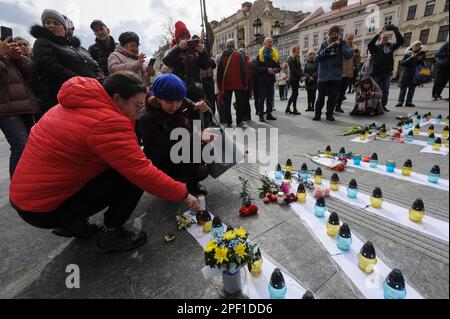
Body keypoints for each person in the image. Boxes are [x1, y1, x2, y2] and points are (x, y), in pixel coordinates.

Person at [9, 71, 200, 253]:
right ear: (117, 98)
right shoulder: (107, 122)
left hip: (26, 199)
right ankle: (111, 233)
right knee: (129, 178)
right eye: (137, 106)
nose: (140, 112)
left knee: (117, 167)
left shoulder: (74, 104)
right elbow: (140, 171)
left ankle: (73, 223)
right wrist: (183, 194)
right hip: (43, 208)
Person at [140, 73, 213, 196]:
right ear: (158, 99)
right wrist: (196, 137)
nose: (174, 106)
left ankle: (190, 181)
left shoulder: (184, 103)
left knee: (210, 153)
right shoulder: (147, 118)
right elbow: (163, 150)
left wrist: (204, 110)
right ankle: (176, 184)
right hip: (165, 160)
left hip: (185, 149)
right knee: (199, 168)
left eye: (178, 102)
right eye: (169, 102)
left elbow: (198, 123)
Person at [30, 9, 104, 112]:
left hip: (94, 91)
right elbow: (51, 66)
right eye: (47, 23)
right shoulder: (41, 43)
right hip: (68, 97)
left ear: (65, 29)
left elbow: (94, 64)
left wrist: (100, 79)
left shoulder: (79, 48)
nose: (51, 25)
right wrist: (82, 82)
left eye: (56, 23)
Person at [0, 38, 41, 179]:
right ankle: (17, 188)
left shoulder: (11, 56)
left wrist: (18, 58)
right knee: (20, 146)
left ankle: (30, 182)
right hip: (7, 109)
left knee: (31, 146)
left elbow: (32, 72)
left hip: (25, 106)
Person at [163, 21, 210, 102]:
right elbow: (167, 61)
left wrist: (203, 53)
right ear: (177, 39)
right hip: (178, 90)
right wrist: (178, 48)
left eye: (187, 36)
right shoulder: (173, 50)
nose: (185, 39)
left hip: (195, 90)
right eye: (182, 37)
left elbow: (205, 65)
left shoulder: (195, 50)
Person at [314, 25, 353, 122]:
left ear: (339, 33)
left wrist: (340, 47)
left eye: (336, 32)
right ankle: (317, 114)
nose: (334, 34)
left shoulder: (343, 43)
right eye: (332, 33)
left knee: (332, 97)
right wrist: (325, 50)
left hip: (336, 75)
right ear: (329, 34)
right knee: (320, 97)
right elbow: (316, 58)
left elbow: (349, 56)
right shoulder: (324, 43)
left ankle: (329, 114)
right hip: (323, 75)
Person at [368, 25, 405, 112]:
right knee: (374, 90)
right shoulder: (375, 48)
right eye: (383, 37)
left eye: (387, 37)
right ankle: (373, 106)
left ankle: (383, 106)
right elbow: (370, 44)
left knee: (385, 90)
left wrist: (396, 31)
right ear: (379, 39)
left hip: (386, 73)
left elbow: (401, 42)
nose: (385, 39)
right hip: (376, 73)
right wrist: (379, 33)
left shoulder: (390, 47)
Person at [217, 39, 248, 127]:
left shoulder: (222, 56)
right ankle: (239, 121)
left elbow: (219, 73)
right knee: (239, 103)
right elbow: (243, 71)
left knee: (227, 104)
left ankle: (229, 121)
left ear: (226, 46)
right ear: (234, 45)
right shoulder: (238, 55)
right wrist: (245, 83)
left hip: (226, 84)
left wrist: (220, 86)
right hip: (238, 84)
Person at [254, 37, 280, 122]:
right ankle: (261, 115)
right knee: (261, 98)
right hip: (262, 81)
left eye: (271, 42)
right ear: (264, 44)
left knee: (270, 98)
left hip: (270, 80)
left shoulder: (274, 55)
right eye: (268, 42)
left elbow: (278, 66)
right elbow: (256, 68)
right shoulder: (260, 55)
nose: (270, 43)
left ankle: (269, 114)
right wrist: (266, 69)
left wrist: (276, 70)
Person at [396, 41, 427, 107]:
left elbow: (423, 65)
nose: (417, 47)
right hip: (406, 74)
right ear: (412, 46)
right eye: (416, 46)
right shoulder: (407, 54)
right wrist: (411, 57)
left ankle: (409, 102)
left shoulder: (420, 54)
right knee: (403, 89)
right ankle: (400, 102)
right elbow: (402, 63)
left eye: (419, 46)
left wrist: (422, 58)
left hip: (415, 74)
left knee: (412, 89)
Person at [335, 33, 359, 113]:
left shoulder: (355, 47)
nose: (350, 40)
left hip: (349, 73)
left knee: (342, 91)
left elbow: (358, 62)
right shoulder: (341, 46)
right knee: (337, 90)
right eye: (349, 39)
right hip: (340, 72)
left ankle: (338, 106)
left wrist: (357, 55)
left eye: (352, 39)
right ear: (345, 38)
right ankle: (334, 105)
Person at [286, 45, 303, 115]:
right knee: (295, 93)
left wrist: (301, 75)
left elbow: (299, 68)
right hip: (293, 79)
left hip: (296, 78)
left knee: (294, 93)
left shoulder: (297, 58)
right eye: (297, 50)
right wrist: (300, 76)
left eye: (299, 49)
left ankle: (288, 108)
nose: (298, 51)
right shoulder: (290, 59)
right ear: (293, 51)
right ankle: (294, 109)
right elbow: (293, 70)